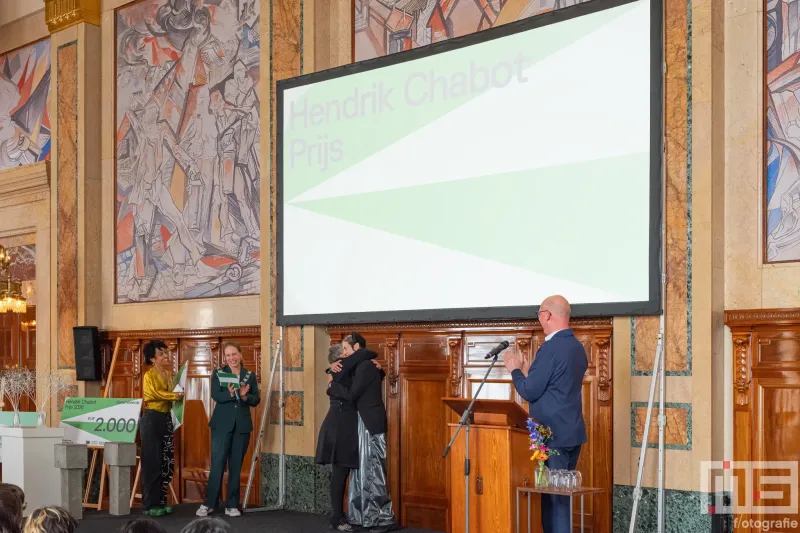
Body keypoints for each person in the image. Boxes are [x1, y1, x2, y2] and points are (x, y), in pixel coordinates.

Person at [503, 295, 588, 533]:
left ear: (547, 315)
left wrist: (516, 371)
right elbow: (556, 387)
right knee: (561, 497)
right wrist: (531, 372)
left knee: (555, 499)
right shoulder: (577, 347)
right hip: (572, 432)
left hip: (551, 435)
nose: (538, 317)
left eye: (539, 312)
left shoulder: (550, 348)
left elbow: (529, 391)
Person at [328, 333, 395, 533]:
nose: (344, 355)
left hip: (370, 424)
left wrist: (331, 385)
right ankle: (364, 516)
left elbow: (352, 394)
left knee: (374, 472)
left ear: (356, 347)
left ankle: (381, 519)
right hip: (361, 424)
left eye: (347, 350)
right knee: (363, 474)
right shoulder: (363, 365)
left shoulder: (366, 365)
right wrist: (331, 368)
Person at [317, 344, 382, 531]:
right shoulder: (339, 371)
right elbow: (351, 395)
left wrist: (379, 369)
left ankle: (340, 515)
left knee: (342, 472)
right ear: (340, 359)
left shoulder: (342, 372)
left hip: (344, 426)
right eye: (346, 351)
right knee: (340, 473)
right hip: (339, 427)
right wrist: (331, 380)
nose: (349, 353)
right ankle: (336, 517)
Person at [196, 341, 260, 518]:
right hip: (221, 425)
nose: (231, 358)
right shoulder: (219, 373)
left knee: (235, 466)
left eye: (234, 354)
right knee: (217, 464)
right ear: (225, 357)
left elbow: (256, 400)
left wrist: (245, 395)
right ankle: (209, 503)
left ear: (240, 354)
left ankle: (232, 505)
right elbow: (216, 395)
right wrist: (232, 394)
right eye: (228, 355)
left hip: (242, 426)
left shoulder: (249, 376)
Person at [140, 340, 183, 517]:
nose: (166, 356)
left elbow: (173, 395)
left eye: (165, 353)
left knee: (166, 460)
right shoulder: (148, 376)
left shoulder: (168, 374)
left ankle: (162, 501)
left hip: (165, 418)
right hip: (151, 418)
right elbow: (153, 394)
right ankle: (150, 505)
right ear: (152, 358)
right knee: (152, 462)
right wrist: (175, 395)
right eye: (161, 354)